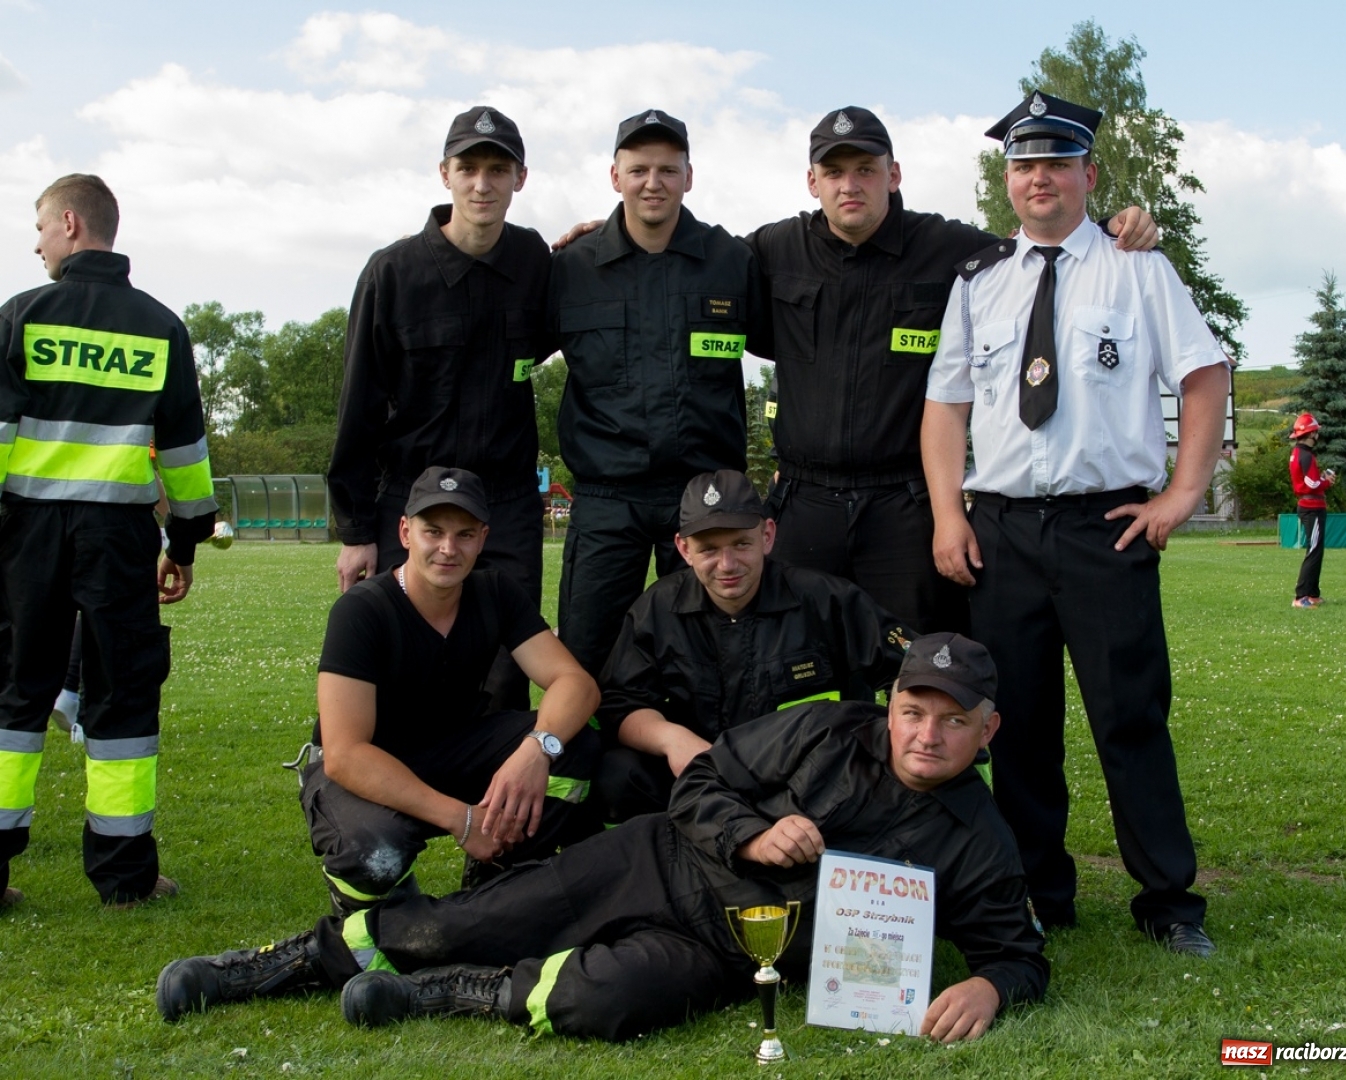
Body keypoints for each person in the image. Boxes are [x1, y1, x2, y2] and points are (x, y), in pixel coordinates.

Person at [157, 632, 1047, 1046]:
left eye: (951, 721)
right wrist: (752, 833)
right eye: (912, 711)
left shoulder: (979, 838)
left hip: (728, 955)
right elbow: (701, 778)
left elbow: (1018, 953)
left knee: (601, 1005)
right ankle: (278, 967)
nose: (925, 734)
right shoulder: (822, 729)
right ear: (889, 706)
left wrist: (988, 988)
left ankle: (443, 999)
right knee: (466, 920)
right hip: (657, 861)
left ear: (988, 731)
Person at [922, 91, 1230, 957]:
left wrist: (1180, 495)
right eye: (1024, 165)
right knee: (1014, 724)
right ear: (1007, 181)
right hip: (1004, 531)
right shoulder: (979, 282)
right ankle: (1038, 895)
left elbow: (1206, 378)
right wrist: (950, 512)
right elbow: (945, 403)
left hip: (1107, 529)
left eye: (1057, 162)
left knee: (1129, 717)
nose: (1040, 178)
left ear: (1090, 175)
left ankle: (1168, 902)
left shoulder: (1139, 267)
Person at [745, 106, 1158, 637]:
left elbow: (1039, 244)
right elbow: (691, 265)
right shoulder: (772, 250)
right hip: (805, 503)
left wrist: (1111, 228)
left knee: (925, 669)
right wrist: (602, 239)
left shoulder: (950, 247)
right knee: (801, 665)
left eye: (867, 169)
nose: (851, 185)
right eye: (833, 172)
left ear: (893, 175)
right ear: (811, 182)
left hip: (906, 507)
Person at [0, 174, 216, 908]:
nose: (35, 244)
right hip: (121, 537)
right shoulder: (160, 326)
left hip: (26, 534)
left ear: (69, 223)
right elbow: (185, 454)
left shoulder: (20, 317)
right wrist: (182, 546)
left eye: (39, 229)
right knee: (123, 700)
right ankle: (125, 877)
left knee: (13, 695)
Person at [298, 466, 600, 916]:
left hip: (450, 746)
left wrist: (536, 749)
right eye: (433, 531)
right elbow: (345, 753)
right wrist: (462, 820)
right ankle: (369, 903)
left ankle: (498, 875)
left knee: (575, 744)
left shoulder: (494, 591)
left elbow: (576, 683)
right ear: (404, 532)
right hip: (364, 766)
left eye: (463, 535)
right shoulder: (361, 611)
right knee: (378, 852)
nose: (448, 548)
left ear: (482, 538)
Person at [327, 106, 553, 710]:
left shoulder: (536, 264)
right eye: (469, 167)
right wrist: (354, 529)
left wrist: (588, 245)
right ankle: (392, 799)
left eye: (497, 170)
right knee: (401, 665)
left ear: (519, 179)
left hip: (505, 505)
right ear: (444, 173)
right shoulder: (393, 273)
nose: (483, 184)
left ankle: (497, 801)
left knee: (507, 671)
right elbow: (358, 408)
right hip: (411, 498)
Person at [551, 109, 768, 677]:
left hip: (704, 499)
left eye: (668, 171)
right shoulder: (571, 267)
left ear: (689, 177)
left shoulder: (732, 261)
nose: (654, 182)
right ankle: (589, 765)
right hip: (605, 499)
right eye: (639, 169)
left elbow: (795, 341)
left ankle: (706, 765)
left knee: (709, 652)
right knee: (587, 649)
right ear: (614, 176)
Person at [596, 468, 914, 821]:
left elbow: (914, 667)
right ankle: (656, 862)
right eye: (709, 550)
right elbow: (621, 703)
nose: (727, 565)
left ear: (767, 535)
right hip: (697, 778)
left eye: (741, 544)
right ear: (684, 549)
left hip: (805, 785)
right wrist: (672, 740)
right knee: (618, 774)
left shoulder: (826, 600)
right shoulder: (656, 610)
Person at [1288, 412, 1334, 607]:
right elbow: (1312, 483)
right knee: (1313, 550)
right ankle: (1301, 596)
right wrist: (1327, 482)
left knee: (1316, 550)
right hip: (1311, 508)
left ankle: (1313, 593)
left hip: (1311, 506)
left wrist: (1321, 480)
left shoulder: (1300, 454)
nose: (1317, 436)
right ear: (1311, 434)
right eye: (1316, 432)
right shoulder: (1305, 455)